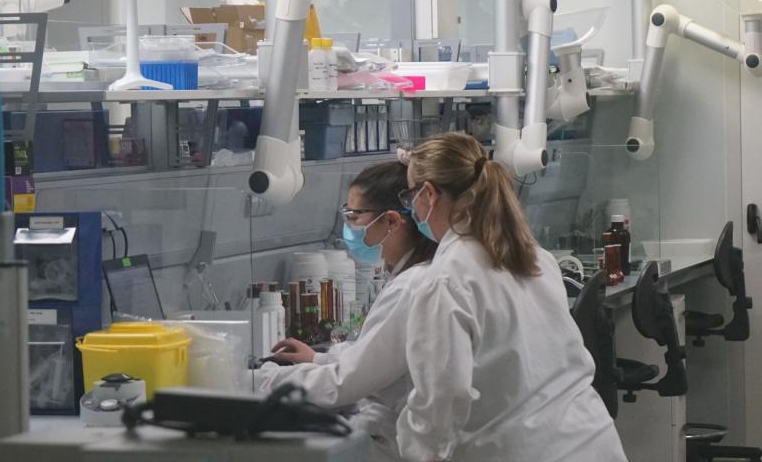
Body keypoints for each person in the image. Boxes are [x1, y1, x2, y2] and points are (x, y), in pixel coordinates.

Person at [396, 132, 627, 462]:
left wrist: (416, 451)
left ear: (430, 194)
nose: (412, 210)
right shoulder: (535, 257)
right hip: (591, 440)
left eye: (411, 196)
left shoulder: (446, 279)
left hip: (526, 451)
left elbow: (444, 395)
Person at [254, 161, 436, 462]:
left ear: (392, 222)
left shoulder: (410, 287)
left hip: (394, 444)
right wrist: (319, 358)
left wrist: (258, 381)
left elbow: (343, 384)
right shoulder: (415, 275)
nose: (348, 227)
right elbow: (373, 356)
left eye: (354, 217)